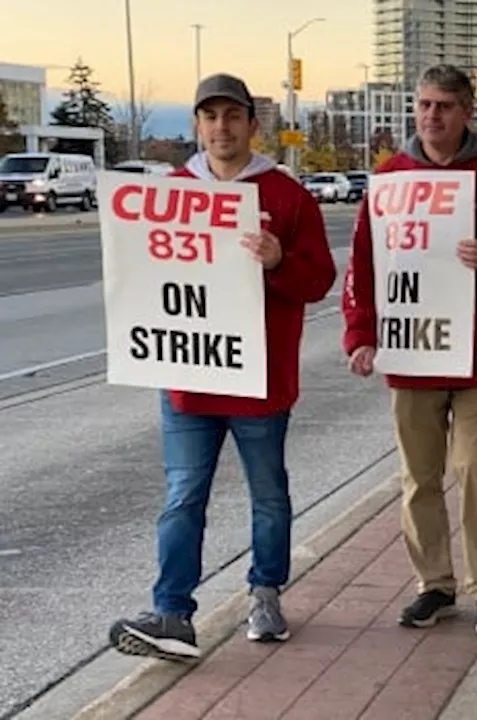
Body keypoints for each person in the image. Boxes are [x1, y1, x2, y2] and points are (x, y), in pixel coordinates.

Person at [108, 73, 337, 660]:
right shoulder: (173, 192)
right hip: (190, 378)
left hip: (258, 378)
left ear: (251, 125)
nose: (221, 127)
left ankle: (265, 593)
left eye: (232, 116)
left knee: (268, 494)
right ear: (196, 125)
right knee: (182, 495)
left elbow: (319, 281)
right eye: (210, 117)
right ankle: (172, 613)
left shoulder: (286, 196)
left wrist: (280, 259)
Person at [342, 65, 477, 637]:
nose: (432, 116)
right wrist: (361, 333)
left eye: (444, 106)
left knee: (476, 467)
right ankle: (434, 584)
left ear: (467, 113)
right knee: (419, 478)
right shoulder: (390, 178)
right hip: (414, 354)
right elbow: (363, 263)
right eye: (424, 105)